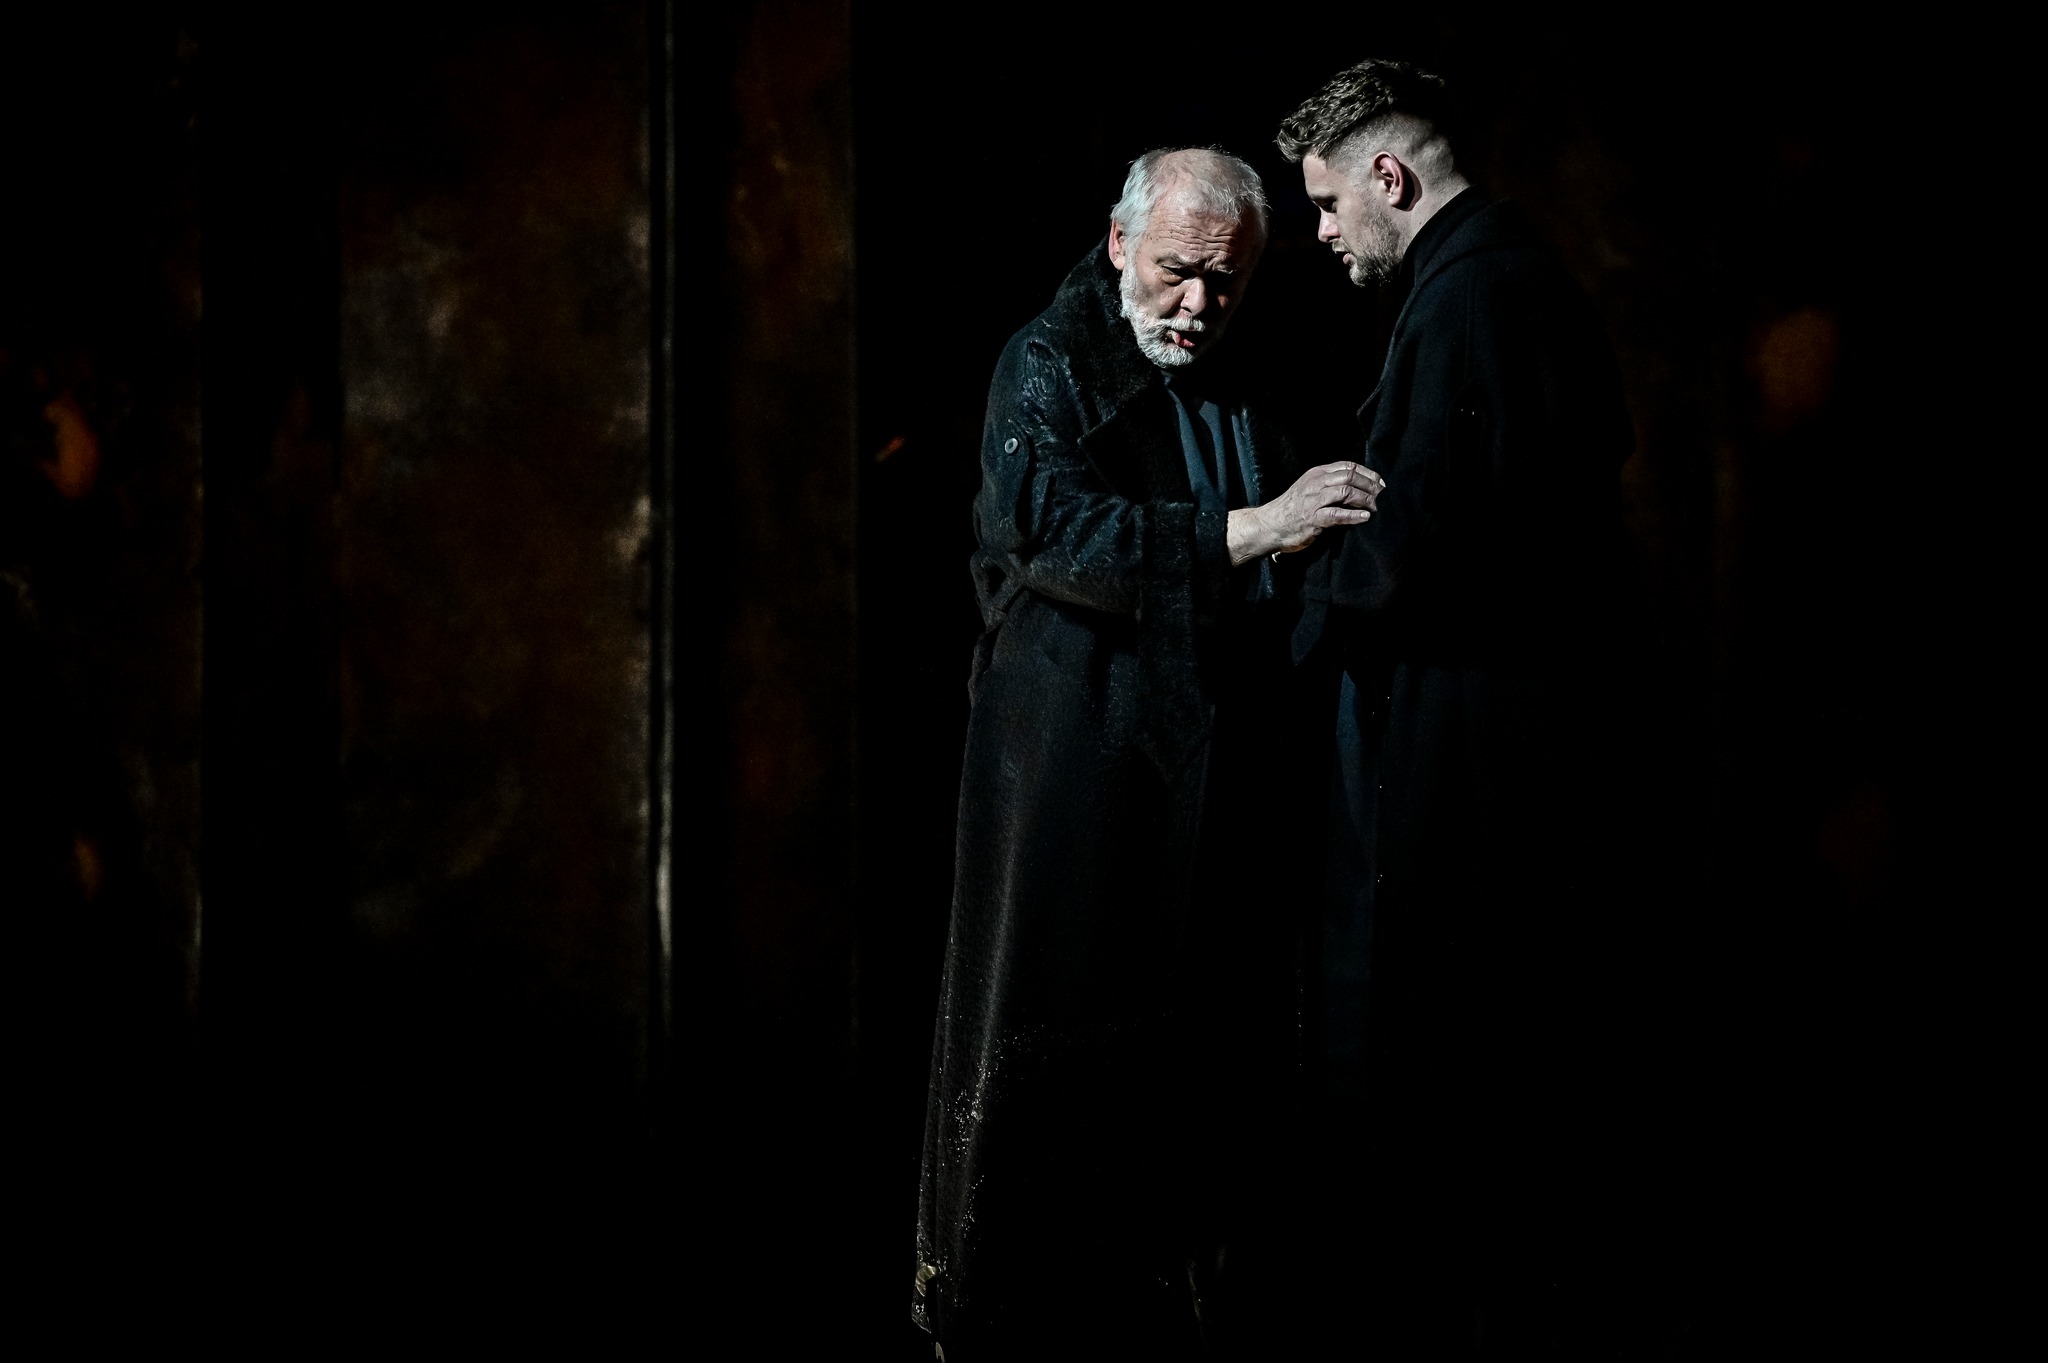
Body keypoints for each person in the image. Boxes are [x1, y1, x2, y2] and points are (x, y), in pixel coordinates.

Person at [912, 146, 1383, 1358]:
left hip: (1210, 763)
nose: (1196, 304)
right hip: (1070, 755)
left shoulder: (1247, 361)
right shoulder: (1047, 359)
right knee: (1056, 1029)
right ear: (1120, 243)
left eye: (1224, 283)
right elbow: (1054, 531)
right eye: (1177, 271)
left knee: (1203, 1052)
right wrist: (1252, 528)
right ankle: (1019, 1318)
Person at [1275, 59, 1639, 1353]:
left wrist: (1295, 572)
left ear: (1388, 176)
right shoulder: (1515, 279)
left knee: (1461, 1075)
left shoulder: (1468, 299)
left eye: (1328, 205)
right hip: (1525, 733)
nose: (1324, 234)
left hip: (1475, 747)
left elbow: (1421, 540)